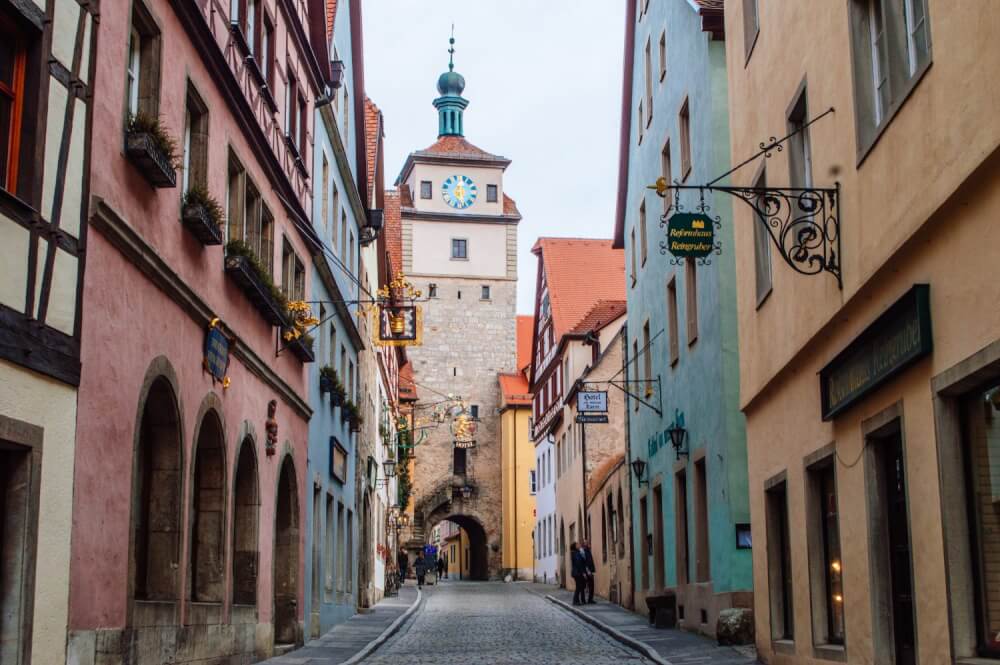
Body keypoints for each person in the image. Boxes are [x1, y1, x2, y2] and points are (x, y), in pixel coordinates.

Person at [581, 539, 596, 604]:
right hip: (587, 571)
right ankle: (584, 600)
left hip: (590, 571)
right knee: (585, 586)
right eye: (586, 543)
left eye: (588, 542)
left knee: (591, 586)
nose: (588, 543)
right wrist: (588, 571)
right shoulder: (584, 551)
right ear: (584, 544)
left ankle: (590, 599)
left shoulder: (588, 550)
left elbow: (590, 561)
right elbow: (585, 562)